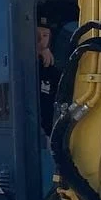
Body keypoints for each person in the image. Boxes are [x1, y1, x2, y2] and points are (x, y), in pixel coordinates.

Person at [37, 15, 61, 188]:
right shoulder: (25, 63)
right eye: (37, 35)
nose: (41, 40)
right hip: (28, 135)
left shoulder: (53, 70)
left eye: (45, 35)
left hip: (47, 133)